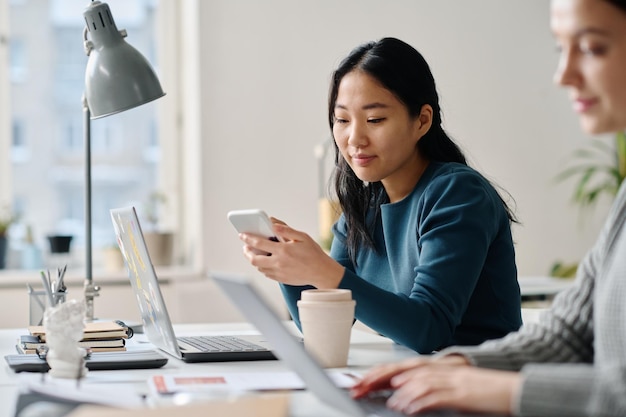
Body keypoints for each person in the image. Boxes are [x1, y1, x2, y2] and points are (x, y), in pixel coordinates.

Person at [350, 0, 626, 416]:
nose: (562, 75)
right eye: (560, 50)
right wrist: (454, 368)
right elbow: (569, 333)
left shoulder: (456, 191)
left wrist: (489, 389)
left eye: (591, 48)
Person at [238, 37, 521, 354]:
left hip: (479, 382)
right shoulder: (364, 207)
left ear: (422, 121)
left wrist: (322, 270)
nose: (355, 138)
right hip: (412, 377)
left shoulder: (457, 193)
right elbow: (329, 323)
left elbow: (429, 330)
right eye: (342, 120)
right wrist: (288, 267)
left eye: (374, 120)